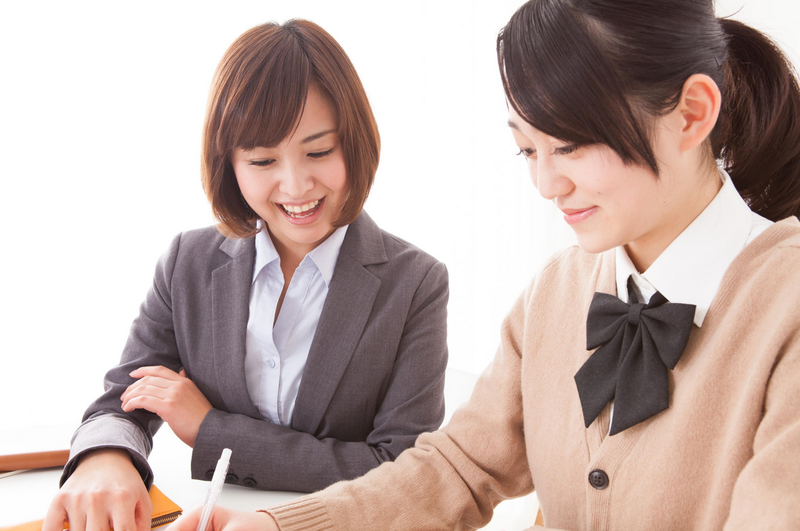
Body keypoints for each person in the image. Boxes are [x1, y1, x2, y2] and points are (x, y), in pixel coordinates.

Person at [167, 0, 800, 529]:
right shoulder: (556, 293)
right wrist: (279, 526)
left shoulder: (785, 307)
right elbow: (457, 469)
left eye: (571, 146)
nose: (546, 184)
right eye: (528, 149)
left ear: (692, 113)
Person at [43, 19, 449, 531]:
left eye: (319, 151)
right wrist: (106, 456)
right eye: (261, 160)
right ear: (229, 164)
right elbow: (122, 401)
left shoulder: (414, 284)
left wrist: (211, 431)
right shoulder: (189, 261)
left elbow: (402, 472)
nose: (295, 185)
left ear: (355, 142)